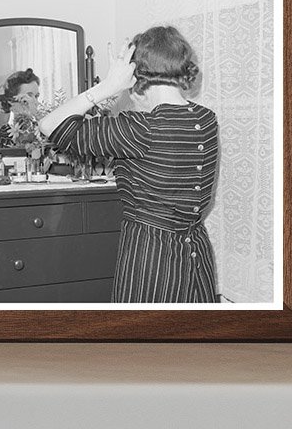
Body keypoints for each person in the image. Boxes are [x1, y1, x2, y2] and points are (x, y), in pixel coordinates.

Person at [37, 26, 219, 303]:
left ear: (136, 73)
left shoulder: (140, 128)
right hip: (195, 254)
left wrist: (107, 87)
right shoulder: (206, 119)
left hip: (151, 258)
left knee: (141, 343)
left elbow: (49, 125)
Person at [0, 68, 41, 148]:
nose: (35, 103)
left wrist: (37, 116)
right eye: (27, 98)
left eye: (36, 96)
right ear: (10, 101)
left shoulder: (45, 131)